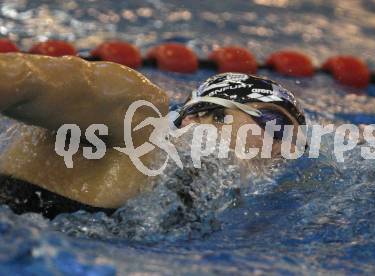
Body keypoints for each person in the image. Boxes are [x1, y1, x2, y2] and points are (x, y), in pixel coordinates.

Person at [0, 53, 306, 219]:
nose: (283, 150)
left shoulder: (189, 204)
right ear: (197, 116)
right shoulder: (136, 116)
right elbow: (22, 79)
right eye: (276, 125)